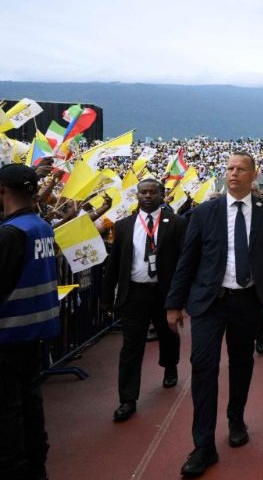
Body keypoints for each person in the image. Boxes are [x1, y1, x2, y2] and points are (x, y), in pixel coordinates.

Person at [165, 152, 263, 478]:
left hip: (247, 302)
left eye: (240, 169)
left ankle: (236, 417)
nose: (233, 173)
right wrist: (174, 303)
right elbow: (187, 260)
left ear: (254, 175)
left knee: (241, 364)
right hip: (209, 304)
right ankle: (203, 446)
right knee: (204, 369)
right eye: (229, 168)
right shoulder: (205, 213)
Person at [101, 179, 187, 423]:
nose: (148, 196)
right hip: (134, 294)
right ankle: (127, 399)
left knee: (168, 335)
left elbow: (183, 262)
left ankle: (170, 366)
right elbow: (114, 264)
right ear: (137, 195)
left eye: (153, 192)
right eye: (143, 192)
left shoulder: (177, 224)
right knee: (131, 346)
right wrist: (107, 297)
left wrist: (180, 299)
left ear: (162, 195)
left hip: (165, 293)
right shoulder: (124, 226)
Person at [0, 164, 58, 480]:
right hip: (33, 336)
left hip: (7, 340)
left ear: (2, 190)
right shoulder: (41, 227)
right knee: (31, 411)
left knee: (8, 420)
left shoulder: (11, 234)